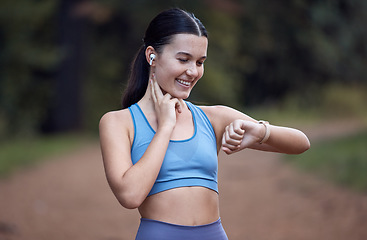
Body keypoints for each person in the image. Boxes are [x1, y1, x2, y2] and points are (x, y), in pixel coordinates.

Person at [99, 8, 310, 240]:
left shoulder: (212, 117)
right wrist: (166, 126)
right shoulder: (118, 122)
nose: (192, 71)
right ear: (152, 56)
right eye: (183, 59)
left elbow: (301, 143)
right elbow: (130, 196)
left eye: (200, 62)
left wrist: (260, 130)